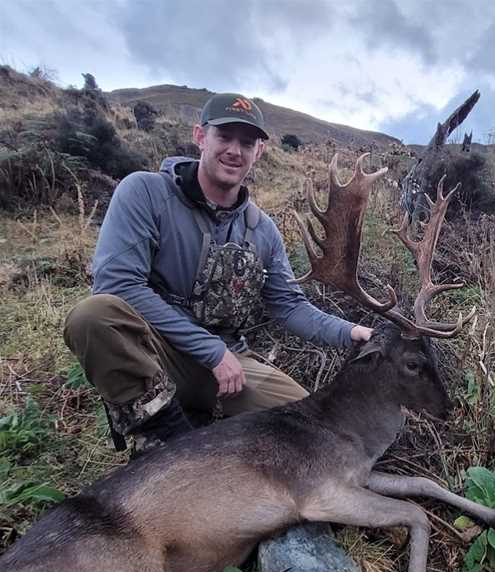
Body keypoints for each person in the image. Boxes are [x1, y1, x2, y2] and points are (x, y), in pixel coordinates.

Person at [64, 93, 373, 455]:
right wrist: (210, 349)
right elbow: (118, 284)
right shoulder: (144, 193)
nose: (234, 151)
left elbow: (290, 306)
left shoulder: (263, 231)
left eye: (246, 142)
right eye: (224, 136)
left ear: (258, 152)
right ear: (200, 137)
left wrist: (351, 333)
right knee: (93, 317)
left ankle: (203, 425)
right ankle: (168, 441)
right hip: (158, 355)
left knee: (314, 429)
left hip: (229, 369)